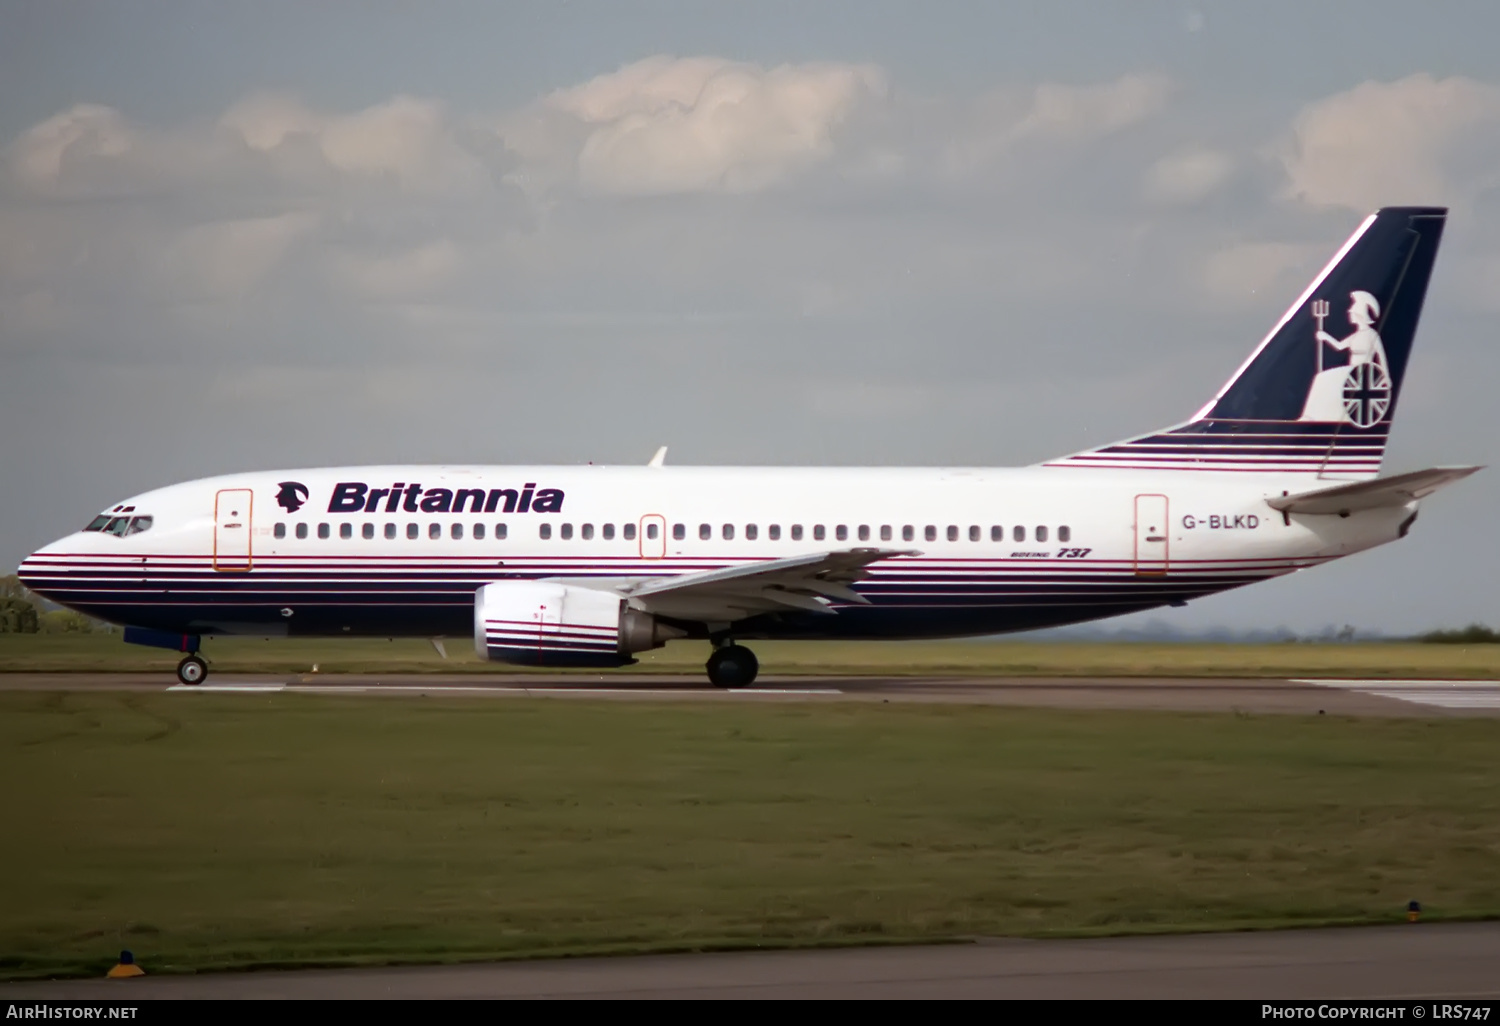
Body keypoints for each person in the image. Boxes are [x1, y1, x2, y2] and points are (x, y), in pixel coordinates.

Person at [1299, 290, 1388, 423]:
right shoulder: (1355, 336)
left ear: (1360, 314)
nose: (1349, 312)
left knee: (1324, 378)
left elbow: (1381, 356)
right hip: (1349, 373)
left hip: (1361, 375)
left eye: (1352, 311)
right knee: (1321, 377)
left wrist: (1386, 377)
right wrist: (1325, 337)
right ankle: (1312, 415)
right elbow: (1339, 346)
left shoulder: (1372, 335)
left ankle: (1314, 415)